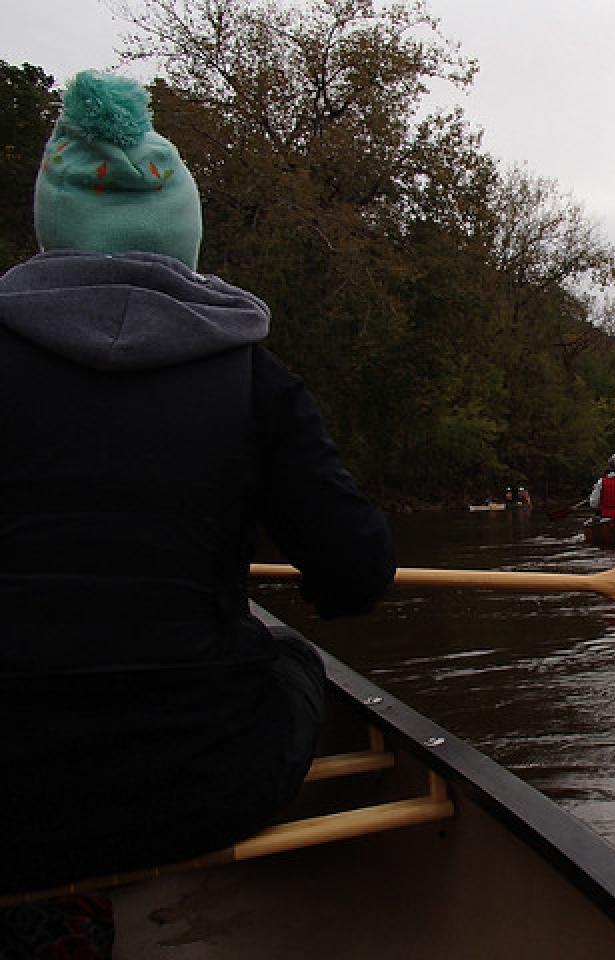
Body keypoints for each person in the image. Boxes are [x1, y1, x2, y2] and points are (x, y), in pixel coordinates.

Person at [0, 71, 396, 898]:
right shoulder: (256, 379)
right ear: (185, 235)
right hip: (201, 783)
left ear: (50, 230)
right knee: (292, 657)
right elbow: (356, 575)